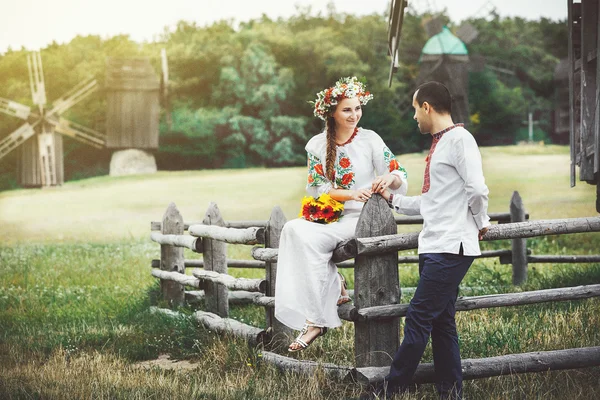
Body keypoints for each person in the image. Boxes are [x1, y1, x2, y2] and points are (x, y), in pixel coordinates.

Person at [371, 81, 490, 400]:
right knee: (441, 324)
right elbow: (431, 201)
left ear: (426, 106)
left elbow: (477, 190)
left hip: (451, 248)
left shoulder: (460, 139)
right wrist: (392, 199)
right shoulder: (442, 144)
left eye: (414, 109)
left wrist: (481, 222)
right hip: (436, 246)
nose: (413, 117)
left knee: (418, 318)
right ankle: (451, 393)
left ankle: (388, 391)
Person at [274, 77, 409, 352]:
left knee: (309, 237)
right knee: (292, 229)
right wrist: (350, 194)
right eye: (347, 109)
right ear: (331, 112)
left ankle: (316, 320)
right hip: (333, 215)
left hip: (365, 218)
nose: (354, 114)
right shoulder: (317, 145)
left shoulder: (370, 139)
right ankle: (329, 295)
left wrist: (388, 179)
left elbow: (399, 173)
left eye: (358, 108)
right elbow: (317, 188)